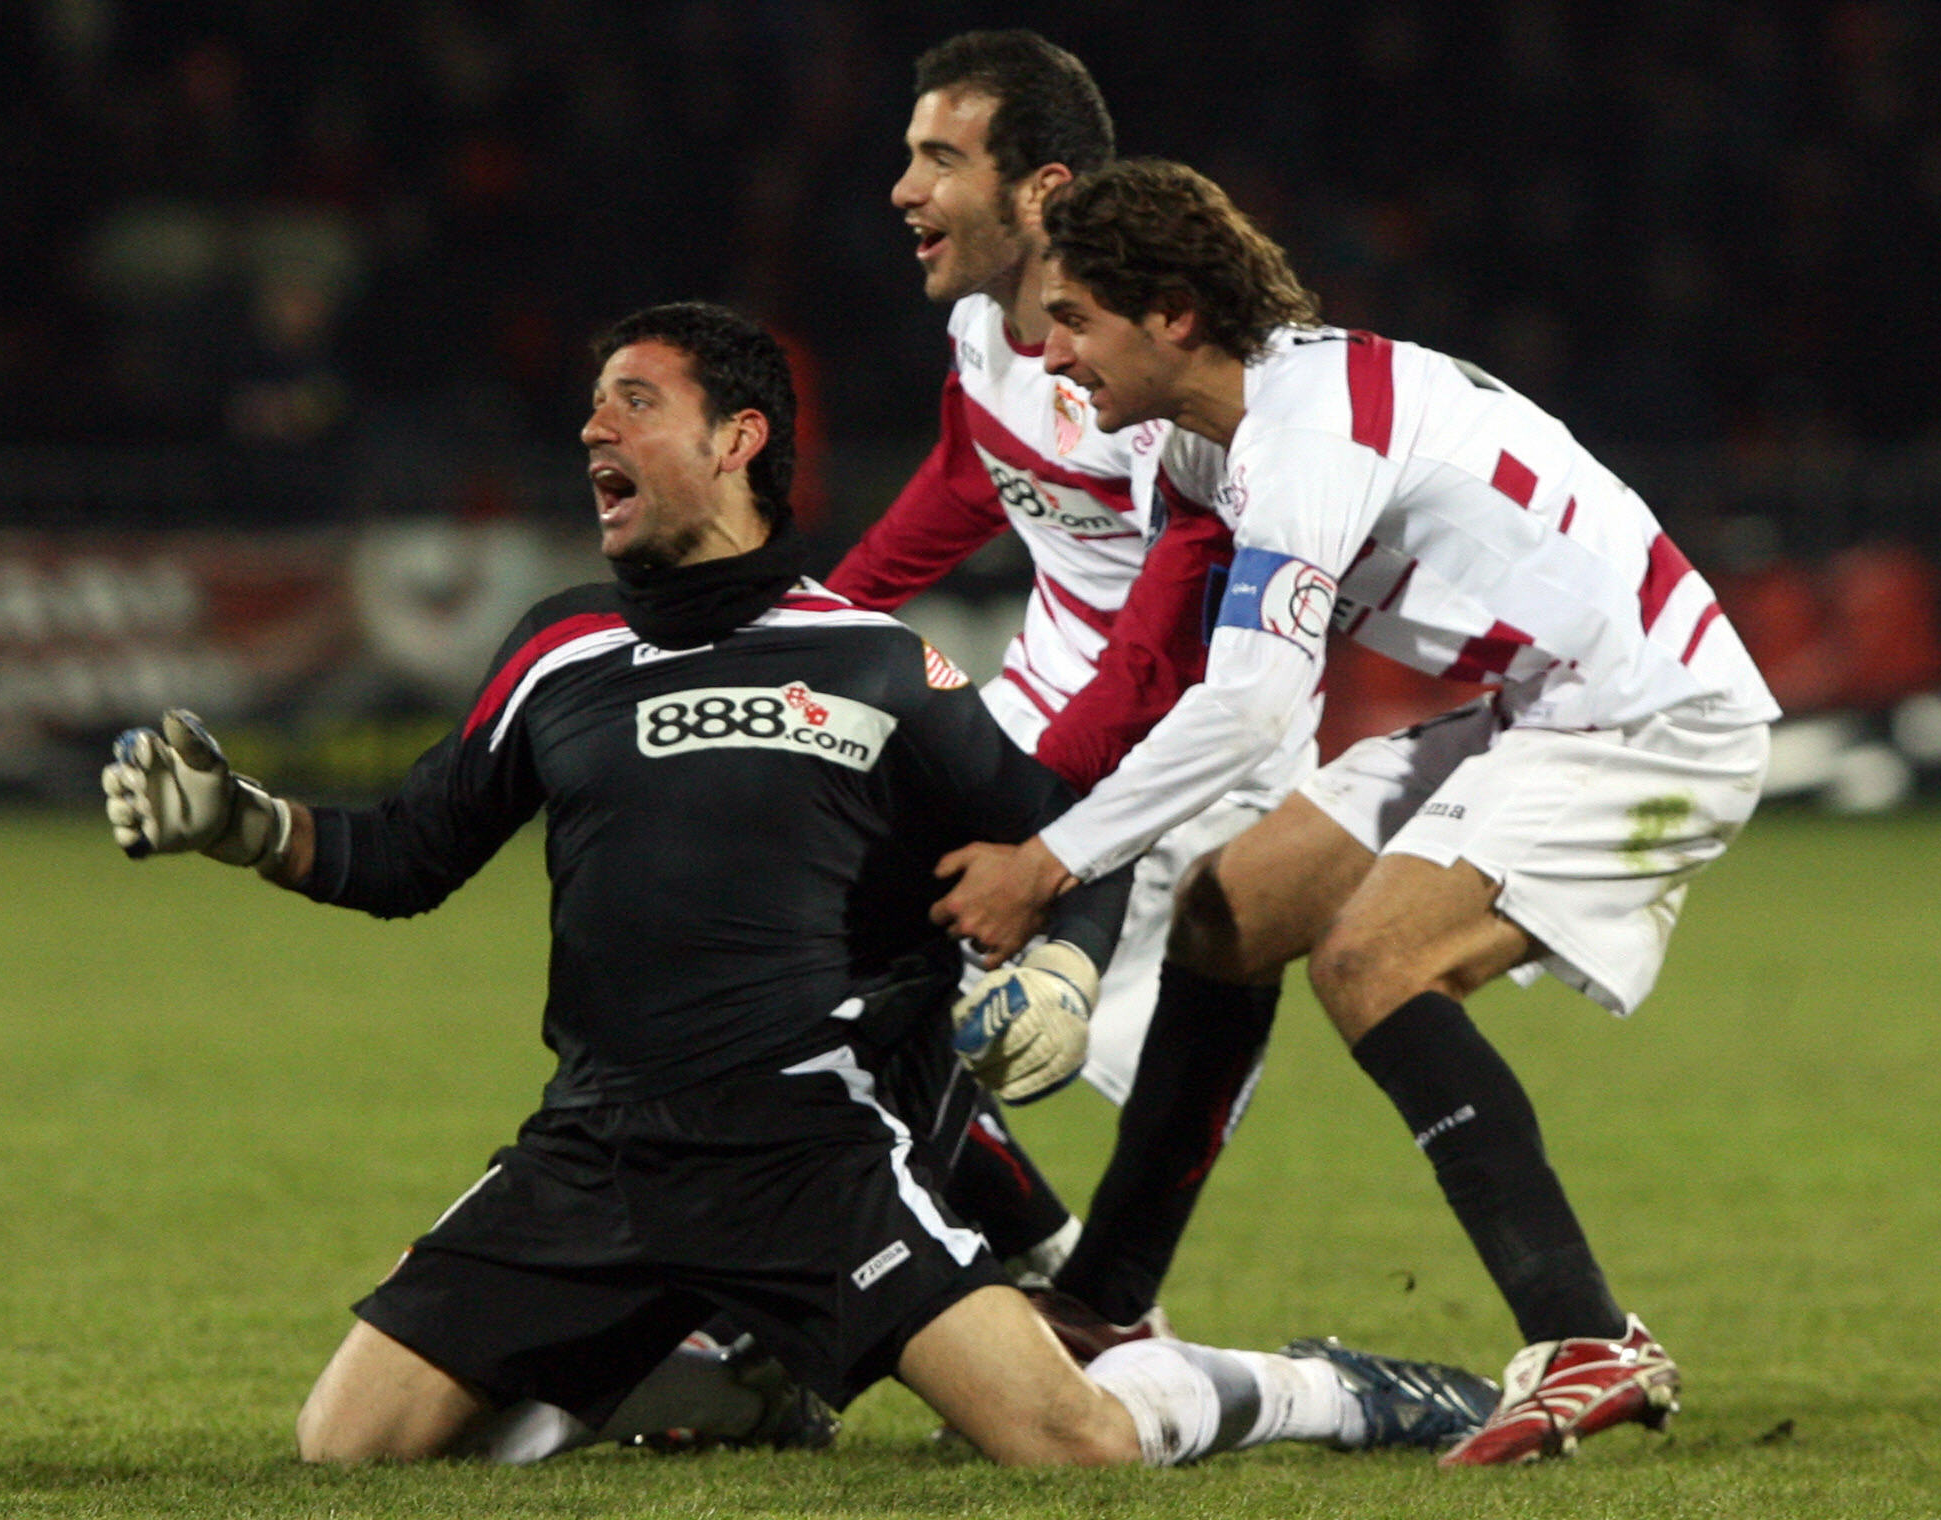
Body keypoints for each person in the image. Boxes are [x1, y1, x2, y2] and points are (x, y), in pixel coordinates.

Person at [100, 300, 1499, 1468]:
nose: (594, 428)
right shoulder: (557, 650)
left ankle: (1327, 1391)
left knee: (1063, 1439)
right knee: (346, 1448)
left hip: (807, 1155)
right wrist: (239, 821)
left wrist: (1066, 966)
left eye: (634, 401)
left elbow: (1056, 834)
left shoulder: (875, 663)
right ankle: (746, 1373)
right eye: (595, 404)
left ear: (738, 440)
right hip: (591, 1151)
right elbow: (406, 853)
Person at [931, 160, 1782, 1465]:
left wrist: (1045, 866)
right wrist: (1023, 823)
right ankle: (1104, 1304)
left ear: (1172, 315)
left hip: (1649, 713)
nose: (1050, 351)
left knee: (1374, 957)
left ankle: (1584, 1332)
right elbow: (1157, 673)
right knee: (1226, 910)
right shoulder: (1205, 433)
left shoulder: (1304, 435)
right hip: (1541, 702)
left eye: (1080, 318)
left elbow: (1248, 711)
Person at [827, 28, 1322, 1348]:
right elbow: (965, 478)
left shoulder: (1167, 368)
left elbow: (1172, 636)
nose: (905, 188)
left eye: (940, 158)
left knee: (953, 1018)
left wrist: (1062, 889)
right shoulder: (987, 327)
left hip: (1181, 745)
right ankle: (1065, 1279)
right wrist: (818, 621)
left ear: (1042, 190)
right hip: (1046, 716)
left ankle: (1051, 1304)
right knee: (848, 985)